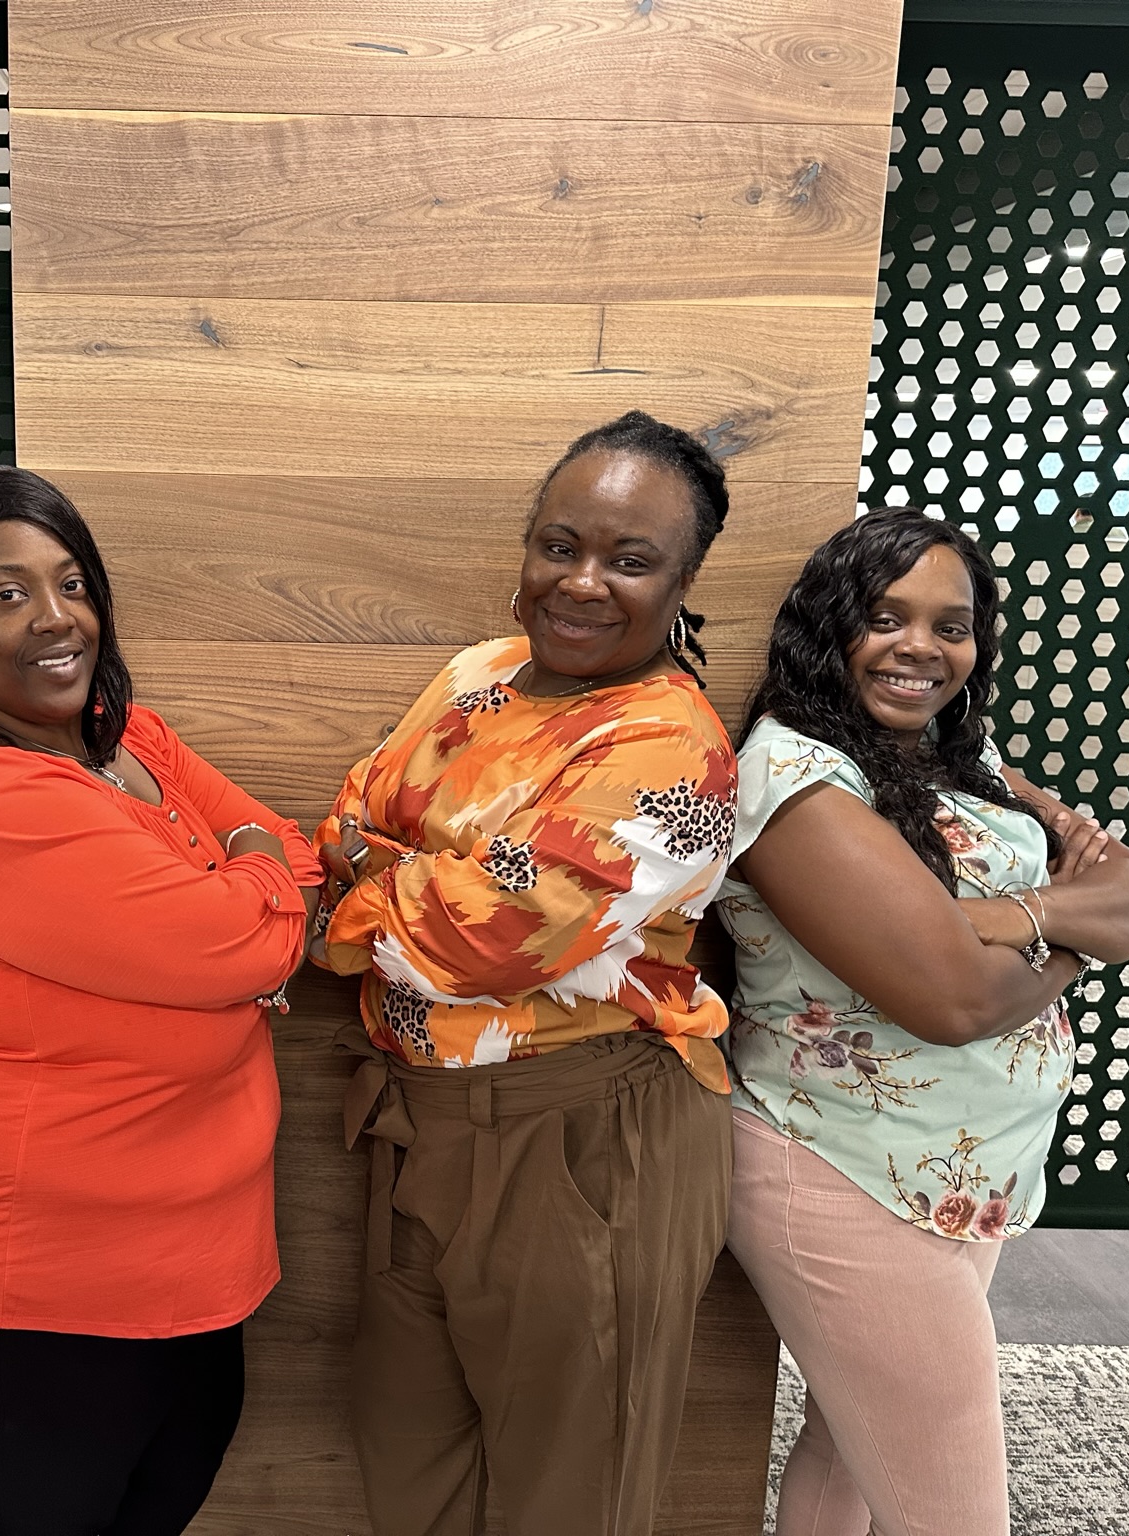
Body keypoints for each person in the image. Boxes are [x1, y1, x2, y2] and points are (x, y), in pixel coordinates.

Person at [0, 465, 322, 1536]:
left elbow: (287, 863)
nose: (54, 618)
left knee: (164, 1488)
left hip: (187, 1240)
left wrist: (248, 903)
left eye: (70, 583)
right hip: (39, 1264)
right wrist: (247, 897)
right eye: (5, 594)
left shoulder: (127, 739)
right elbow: (254, 938)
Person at [312, 410, 740, 1536]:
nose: (582, 582)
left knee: (570, 1497)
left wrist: (396, 874)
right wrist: (408, 876)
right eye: (559, 545)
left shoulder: (669, 748)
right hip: (417, 1128)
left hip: (586, 1138)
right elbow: (342, 823)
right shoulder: (476, 677)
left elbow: (474, 945)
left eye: (628, 559)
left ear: (682, 579)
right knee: (409, 1465)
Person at [718, 508, 1129, 1536]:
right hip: (842, 1168)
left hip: (958, 1166)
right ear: (826, 628)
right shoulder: (793, 782)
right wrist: (1057, 926)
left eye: (949, 626)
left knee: (848, 1452)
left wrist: (988, 925)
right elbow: (952, 1000)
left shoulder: (953, 755)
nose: (920, 647)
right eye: (884, 617)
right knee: (954, 1512)